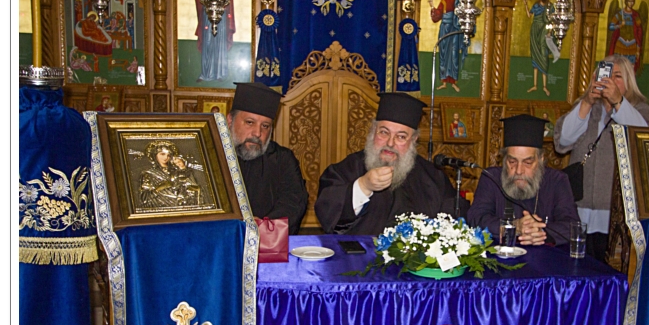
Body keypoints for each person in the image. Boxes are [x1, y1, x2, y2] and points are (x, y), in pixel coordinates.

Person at [315, 92, 469, 235]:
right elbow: (328, 213)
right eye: (384, 132)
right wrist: (363, 186)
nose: (390, 143)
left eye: (401, 137)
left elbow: (453, 224)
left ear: (413, 139)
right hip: (361, 255)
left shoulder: (434, 177)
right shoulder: (349, 167)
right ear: (373, 131)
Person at [554, 54, 649, 263]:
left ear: (628, 81)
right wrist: (586, 102)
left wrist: (618, 102)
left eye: (617, 76)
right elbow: (563, 140)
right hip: (579, 207)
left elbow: (643, 141)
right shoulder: (587, 107)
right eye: (604, 75)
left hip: (614, 211)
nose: (609, 80)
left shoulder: (640, 109)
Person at [468, 114, 579, 247]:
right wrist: (512, 226)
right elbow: (476, 218)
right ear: (504, 159)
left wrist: (541, 232)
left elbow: (572, 224)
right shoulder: (491, 177)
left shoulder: (557, 180)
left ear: (541, 159)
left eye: (527, 163)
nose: (519, 171)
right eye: (512, 161)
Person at [226, 82, 308, 234]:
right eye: (250, 122)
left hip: (266, 239)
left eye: (265, 126)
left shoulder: (282, 159)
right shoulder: (211, 155)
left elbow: (294, 203)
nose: (257, 133)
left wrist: (262, 226)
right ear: (230, 120)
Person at [195, 0, 236, 82]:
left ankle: (220, 74)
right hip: (207, 17)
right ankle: (205, 74)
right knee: (207, 43)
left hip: (221, 18)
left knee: (219, 45)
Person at [428, 0, 466, 92]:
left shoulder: (460, 1)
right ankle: (444, 82)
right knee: (443, 55)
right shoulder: (444, 0)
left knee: (454, 55)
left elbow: (464, 16)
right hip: (445, 29)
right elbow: (438, 15)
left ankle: (453, 82)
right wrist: (432, 6)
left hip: (455, 30)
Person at [522, 0, 553, 96]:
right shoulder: (536, 5)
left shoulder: (550, 6)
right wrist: (526, 5)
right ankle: (535, 85)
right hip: (535, 31)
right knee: (535, 57)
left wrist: (550, 32)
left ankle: (544, 86)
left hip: (544, 31)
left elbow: (553, 20)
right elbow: (529, 15)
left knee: (544, 57)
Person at [139, 141, 187, 208]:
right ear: (155, 155)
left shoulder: (175, 171)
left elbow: (183, 187)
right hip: (159, 205)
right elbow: (144, 198)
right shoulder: (148, 173)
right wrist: (159, 188)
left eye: (168, 155)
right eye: (162, 154)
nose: (166, 157)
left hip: (177, 205)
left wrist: (181, 195)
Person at [607, 0, 643, 74]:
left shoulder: (635, 15)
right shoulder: (620, 14)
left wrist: (638, 47)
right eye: (629, 1)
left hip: (632, 44)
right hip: (621, 43)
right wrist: (619, 25)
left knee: (630, 68)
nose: (631, 3)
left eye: (632, 1)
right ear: (626, 1)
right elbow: (611, 27)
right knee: (618, 66)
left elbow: (639, 30)